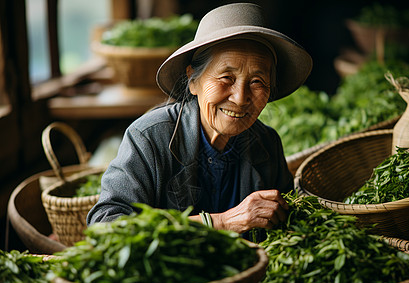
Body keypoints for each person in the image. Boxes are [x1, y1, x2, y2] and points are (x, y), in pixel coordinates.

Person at [86, 2, 312, 240]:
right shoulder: (150, 137)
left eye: (257, 81)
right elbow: (105, 225)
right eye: (226, 77)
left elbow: (287, 221)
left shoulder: (267, 143)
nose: (240, 97)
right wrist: (223, 221)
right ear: (193, 80)